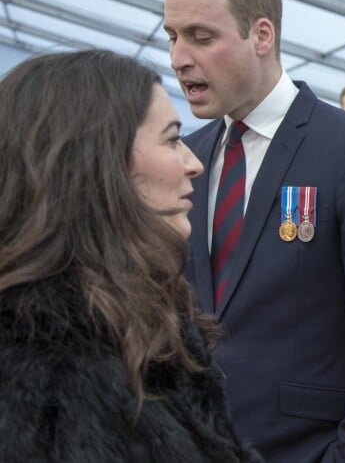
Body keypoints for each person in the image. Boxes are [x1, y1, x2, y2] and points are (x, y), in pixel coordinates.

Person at [163, 0, 345, 463]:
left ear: (262, 36)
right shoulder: (187, 156)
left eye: (200, 36)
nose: (178, 58)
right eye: (172, 36)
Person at [0, 50, 263, 463]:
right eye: (173, 138)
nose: (194, 163)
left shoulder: (137, 314)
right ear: (96, 161)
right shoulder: (53, 363)